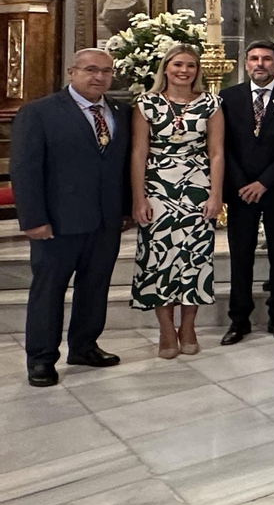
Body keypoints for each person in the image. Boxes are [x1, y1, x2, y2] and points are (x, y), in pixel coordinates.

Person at [14, 50, 132, 387]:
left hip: (105, 220)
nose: (98, 77)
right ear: (71, 71)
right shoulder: (39, 112)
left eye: (106, 71)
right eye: (90, 70)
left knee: (94, 288)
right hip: (58, 222)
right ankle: (41, 358)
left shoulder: (121, 113)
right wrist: (33, 219)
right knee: (48, 291)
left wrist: (124, 209)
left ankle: (84, 345)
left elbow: (121, 166)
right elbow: (26, 170)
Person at [129, 45, 223, 358]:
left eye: (191, 66)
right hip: (158, 188)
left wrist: (216, 194)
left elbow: (217, 152)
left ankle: (189, 326)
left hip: (197, 187)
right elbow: (139, 153)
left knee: (194, 258)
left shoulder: (210, 103)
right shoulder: (147, 103)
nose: (184, 71)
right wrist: (138, 196)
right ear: (166, 68)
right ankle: (166, 330)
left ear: (198, 71)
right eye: (178, 65)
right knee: (159, 259)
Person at [220, 42, 274, 345]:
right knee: (241, 255)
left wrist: (264, 181)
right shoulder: (228, 98)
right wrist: (242, 182)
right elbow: (222, 145)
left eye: (267, 59)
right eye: (254, 59)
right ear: (245, 63)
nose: (260, 64)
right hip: (241, 191)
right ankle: (239, 319)